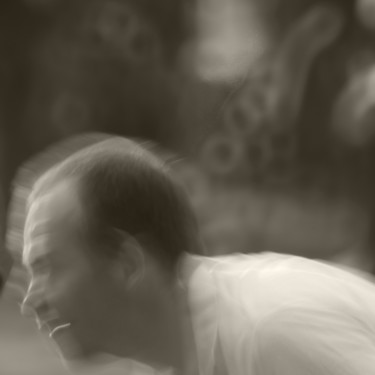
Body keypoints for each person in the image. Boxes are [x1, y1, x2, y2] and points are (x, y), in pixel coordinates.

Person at [21, 136, 375, 374]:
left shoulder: (268, 330)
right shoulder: (191, 354)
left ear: (127, 263)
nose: (30, 300)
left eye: (48, 266)